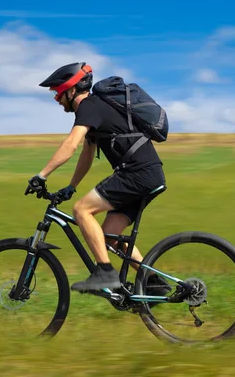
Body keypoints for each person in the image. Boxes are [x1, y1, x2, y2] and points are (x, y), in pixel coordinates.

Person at [24, 62, 170, 296]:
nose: (56, 99)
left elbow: (71, 144)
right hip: (148, 174)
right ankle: (154, 283)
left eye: (57, 93)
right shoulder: (97, 110)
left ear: (72, 90)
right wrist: (71, 186)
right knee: (109, 238)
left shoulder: (89, 106)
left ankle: (105, 272)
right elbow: (86, 153)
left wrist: (41, 176)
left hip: (137, 173)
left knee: (81, 210)